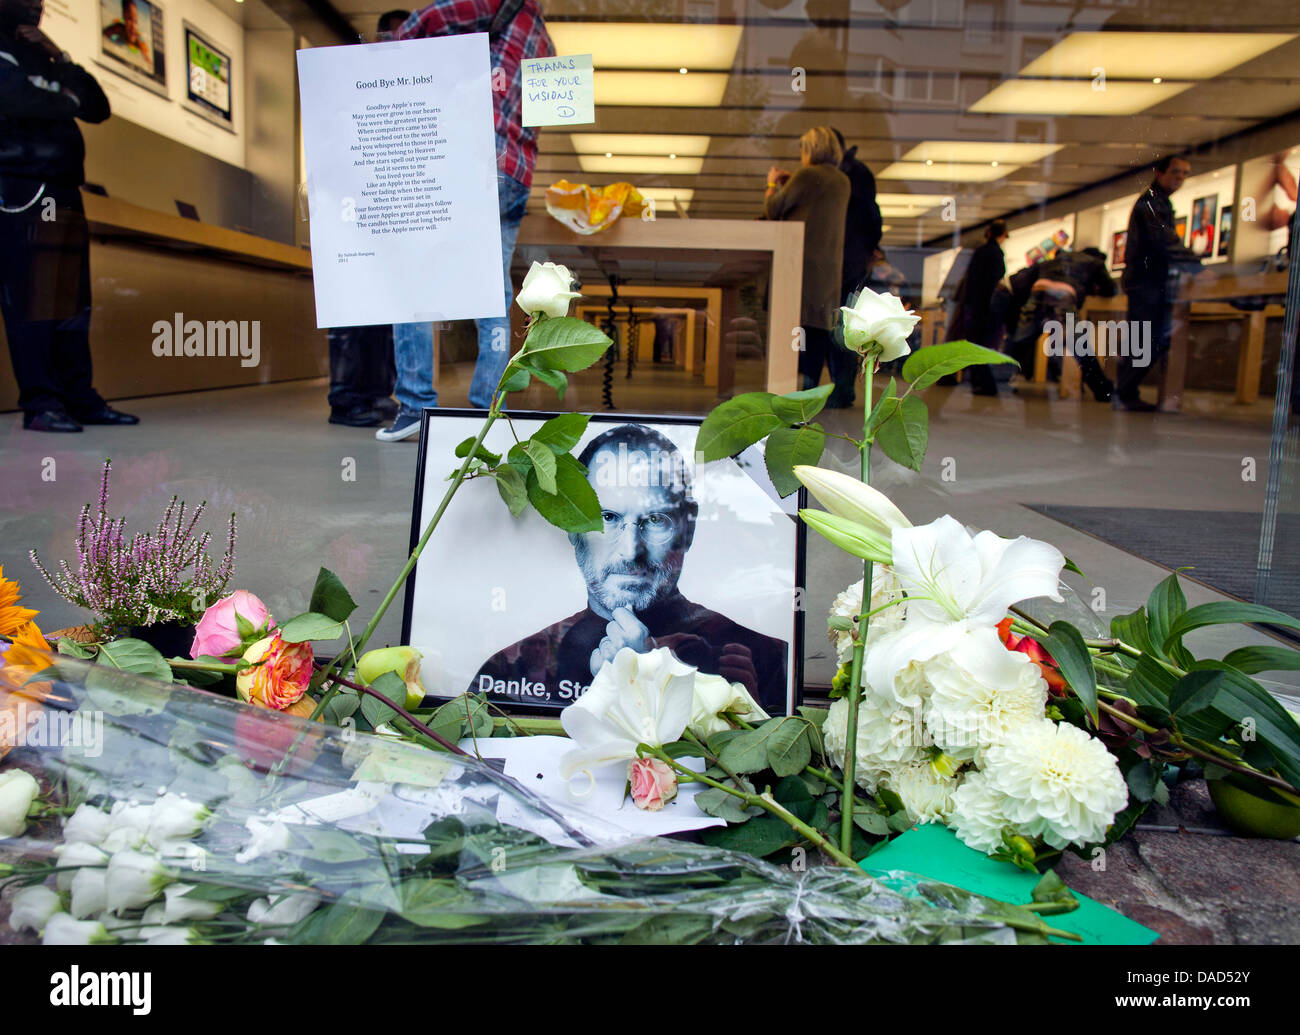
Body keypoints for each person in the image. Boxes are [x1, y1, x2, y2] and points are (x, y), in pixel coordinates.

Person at [471, 424, 790, 711]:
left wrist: (748, 710)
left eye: (655, 520)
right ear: (572, 526)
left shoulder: (768, 662)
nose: (630, 551)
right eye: (607, 517)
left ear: (687, 529)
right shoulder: (506, 671)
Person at [377, 0, 554, 442]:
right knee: (492, 290)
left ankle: (416, 406)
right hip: (514, 174)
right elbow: (544, 115)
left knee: (412, 279)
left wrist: (384, 70)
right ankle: (490, 410)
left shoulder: (493, 4)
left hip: (469, 158)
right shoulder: (544, 42)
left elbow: (425, 21)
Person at [0, 0, 136, 432]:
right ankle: (41, 403)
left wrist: (61, 56)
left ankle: (79, 398)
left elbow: (96, 106)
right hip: (21, 185)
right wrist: (64, 98)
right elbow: (18, 99)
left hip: (62, 185)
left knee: (71, 304)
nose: (35, 8)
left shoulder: (44, 53)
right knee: (33, 302)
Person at [324, 9, 407, 429]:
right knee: (353, 311)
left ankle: (375, 393)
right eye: (392, 37)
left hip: (387, 210)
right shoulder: (353, 84)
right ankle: (345, 399)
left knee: (382, 313)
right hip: (351, 210)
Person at [763, 126, 851, 407]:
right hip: (827, 270)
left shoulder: (807, 175)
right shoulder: (842, 181)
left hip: (799, 265)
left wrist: (772, 183)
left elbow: (774, 209)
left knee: (790, 329)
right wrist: (794, 183)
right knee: (816, 332)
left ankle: (786, 396)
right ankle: (807, 396)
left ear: (810, 150)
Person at [1116, 155, 1202, 411]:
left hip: (1147, 281)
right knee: (1148, 338)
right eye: (1176, 172)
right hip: (1147, 281)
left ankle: (1125, 393)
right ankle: (1125, 393)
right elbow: (1165, 241)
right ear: (1160, 172)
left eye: (1185, 173)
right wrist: (1196, 267)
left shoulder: (1156, 202)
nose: (1180, 178)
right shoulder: (1152, 203)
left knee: (1145, 338)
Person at [1007, 247, 1118, 401]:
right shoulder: (1095, 262)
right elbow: (1110, 288)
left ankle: (999, 380)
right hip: (1064, 297)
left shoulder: (1053, 259)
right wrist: (1091, 289)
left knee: (1021, 340)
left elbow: (1020, 280)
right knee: (1079, 346)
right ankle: (1102, 390)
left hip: (1039, 291)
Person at [949, 221, 1008, 396]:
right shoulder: (996, 253)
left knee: (973, 344)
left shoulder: (980, 252)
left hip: (972, 305)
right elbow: (996, 278)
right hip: (985, 307)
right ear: (1002, 235)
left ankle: (980, 383)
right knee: (980, 346)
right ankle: (985, 385)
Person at [831, 127, 883, 304]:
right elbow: (872, 216)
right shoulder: (858, 172)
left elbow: (870, 215)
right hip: (854, 255)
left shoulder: (843, 176)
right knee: (846, 306)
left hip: (844, 254)